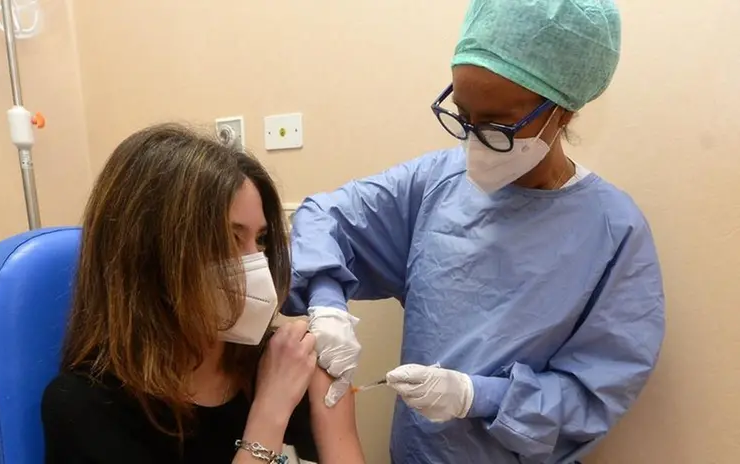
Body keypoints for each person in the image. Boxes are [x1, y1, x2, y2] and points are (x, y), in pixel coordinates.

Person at [284, 0, 665, 462]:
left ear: (561, 111)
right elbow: (324, 217)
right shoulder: (435, 185)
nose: (473, 140)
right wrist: (326, 303)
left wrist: (475, 396)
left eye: (497, 124)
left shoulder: (613, 232)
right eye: (463, 116)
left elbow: (591, 397)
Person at [41, 123, 365, 464]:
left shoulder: (278, 362)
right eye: (228, 239)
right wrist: (270, 411)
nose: (255, 263)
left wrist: (329, 389)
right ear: (149, 255)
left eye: (261, 241)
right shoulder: (83, 408)